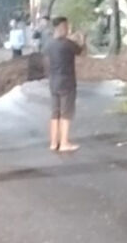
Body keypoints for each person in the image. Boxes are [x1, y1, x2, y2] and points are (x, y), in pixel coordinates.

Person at [43, 16, 85, 152]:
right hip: (67, 81)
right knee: (66, 112)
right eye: (66, 27)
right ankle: (64, 142)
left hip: (53, 81)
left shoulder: (49, 44)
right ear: (61, 27)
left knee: (55, 113)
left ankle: (54, 142)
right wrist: (82, 39)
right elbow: (81, 52)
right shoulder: (67, 44)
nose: (67, 29)